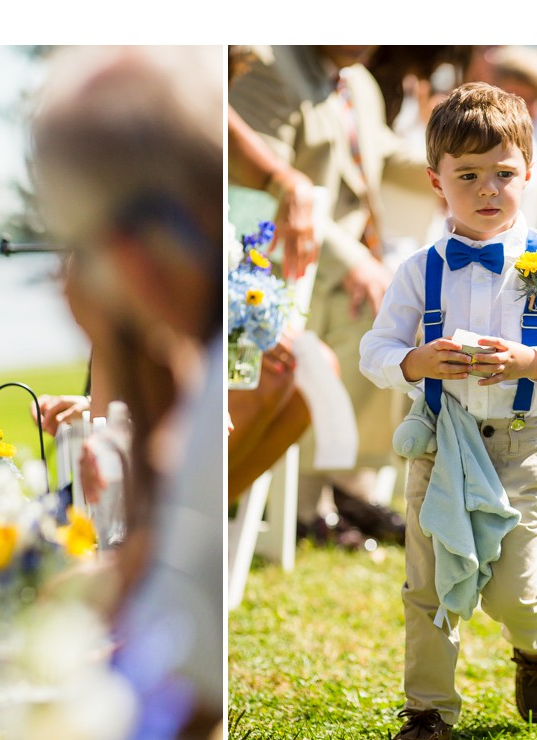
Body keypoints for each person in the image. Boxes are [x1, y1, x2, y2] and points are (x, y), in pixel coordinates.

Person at [359, 83, 537, 740]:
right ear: (435, 180)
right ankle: (428, 711)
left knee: (510, 589)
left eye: (503, 174)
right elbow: (375, 351)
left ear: (528, 174)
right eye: (467, 176)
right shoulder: (420, 270)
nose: (487, 190)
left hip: (519, 450)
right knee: (427, 585)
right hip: (441, 445)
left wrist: (533, 359)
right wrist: (415, 361)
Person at [30, 44, 224, 740]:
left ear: (125, 257)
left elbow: (188, 679)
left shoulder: (215, 415)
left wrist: (111, 348)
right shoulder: (203, 385)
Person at [230, 45, 430, 550]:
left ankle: (349, 487)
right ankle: (307, 504)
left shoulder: (356, 80)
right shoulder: (268, 69)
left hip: (344, 255)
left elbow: (383, 153)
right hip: (281, 261)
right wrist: (357, 263)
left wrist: (459, 168)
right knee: (377, 305)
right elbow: (262, 186)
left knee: (416, 298)